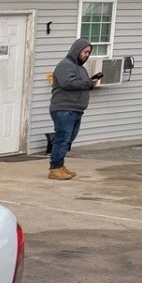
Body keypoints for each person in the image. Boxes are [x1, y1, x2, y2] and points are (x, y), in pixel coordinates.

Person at [48, 38, 102, 180]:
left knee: (68, 140)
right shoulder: (65, 65)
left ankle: (60, 165)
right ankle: (55, 169)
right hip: (64, 109)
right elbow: (67, 83)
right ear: (77, 50)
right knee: (62, 139)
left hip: (76, 110)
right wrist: (87, 83)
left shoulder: (81, 69)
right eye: (85, 52)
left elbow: (81, 83)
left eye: (89, 52)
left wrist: (90, 83)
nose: (87, 55)